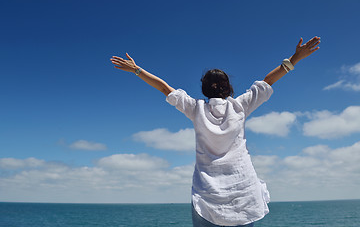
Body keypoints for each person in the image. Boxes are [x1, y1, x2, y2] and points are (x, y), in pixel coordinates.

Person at [110, 36, 321, 227]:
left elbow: (165, 88)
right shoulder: (240, 106)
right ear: (228, 88)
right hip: (244, 192)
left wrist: (137, 70)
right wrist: (295, 58)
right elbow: (268, 81)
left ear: (204, 89)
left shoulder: (196, 108)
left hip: (207, 195)